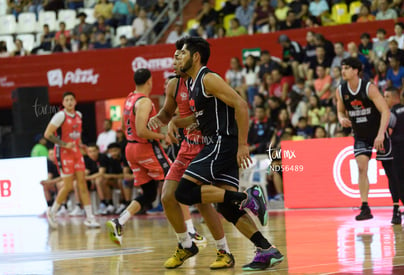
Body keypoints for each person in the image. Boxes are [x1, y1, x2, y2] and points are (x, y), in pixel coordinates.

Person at [175, 36, 283, 271]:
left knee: (183, 192)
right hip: (217, 142)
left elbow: (241, 104)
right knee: (226, 207)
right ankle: (267, 250)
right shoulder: (193, 83)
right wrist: (181, 123)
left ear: (195, 57)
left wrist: (243, 144)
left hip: (221, 143)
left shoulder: (208, 78)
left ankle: (247, 198)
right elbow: (207, 114)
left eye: (182, 53)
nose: (178, 57)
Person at [148, 43, 233, 269]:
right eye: (174, 58)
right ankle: (186, 243)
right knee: (167, 197)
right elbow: (167, 112)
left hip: (205, 146)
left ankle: (224, 250)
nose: (175, 62)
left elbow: (201, 118)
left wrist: (177, 122)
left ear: (191, 58)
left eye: (179, 57)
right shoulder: (173, 84)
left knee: (202, 204)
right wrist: (159, 119)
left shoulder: (203, 81)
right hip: (186, 147)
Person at [106, 69, 172, 245]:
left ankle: (119, 221)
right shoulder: (144, 102)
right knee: (176, 179)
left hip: (130, 149)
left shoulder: (129, 99)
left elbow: (121, 126)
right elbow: (142, 131)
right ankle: (189, 232)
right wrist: (162, 136)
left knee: (149, 194)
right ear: (150, 81)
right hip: (145, 147)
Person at [336, 57, 392, 221]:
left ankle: (397, 204)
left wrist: (381, 133)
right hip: (360, 136)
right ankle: (365, 206)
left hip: (377, 133)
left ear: (355, 70)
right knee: (361, 168)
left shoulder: (369, 88)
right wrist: (340, 119)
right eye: (342, 68)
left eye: (346, 68)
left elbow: (385, 111)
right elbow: (339, 111)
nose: (343, 71)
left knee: (391, 171)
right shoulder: (341, 90)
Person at [44, 91, 100, 228]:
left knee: (82, 183)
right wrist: (64, 144)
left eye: (71, 100)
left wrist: (81, 145)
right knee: (68, 185)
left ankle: (90, 217)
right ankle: (52, 211)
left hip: (75, 151)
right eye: (66, 100)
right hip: (63, 153)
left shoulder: (79, 115)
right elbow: (47, 134)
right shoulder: (60, 116)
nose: (69, 102)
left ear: (75, 102)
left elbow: (76, 135)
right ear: (63, 103)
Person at [384, 87, 404, 224]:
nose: (384, 100)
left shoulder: (391, 113)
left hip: (398, 149)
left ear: (394, 97)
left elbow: (388, 127)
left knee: (398, 180)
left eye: (386, 97)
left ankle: (398, 208)